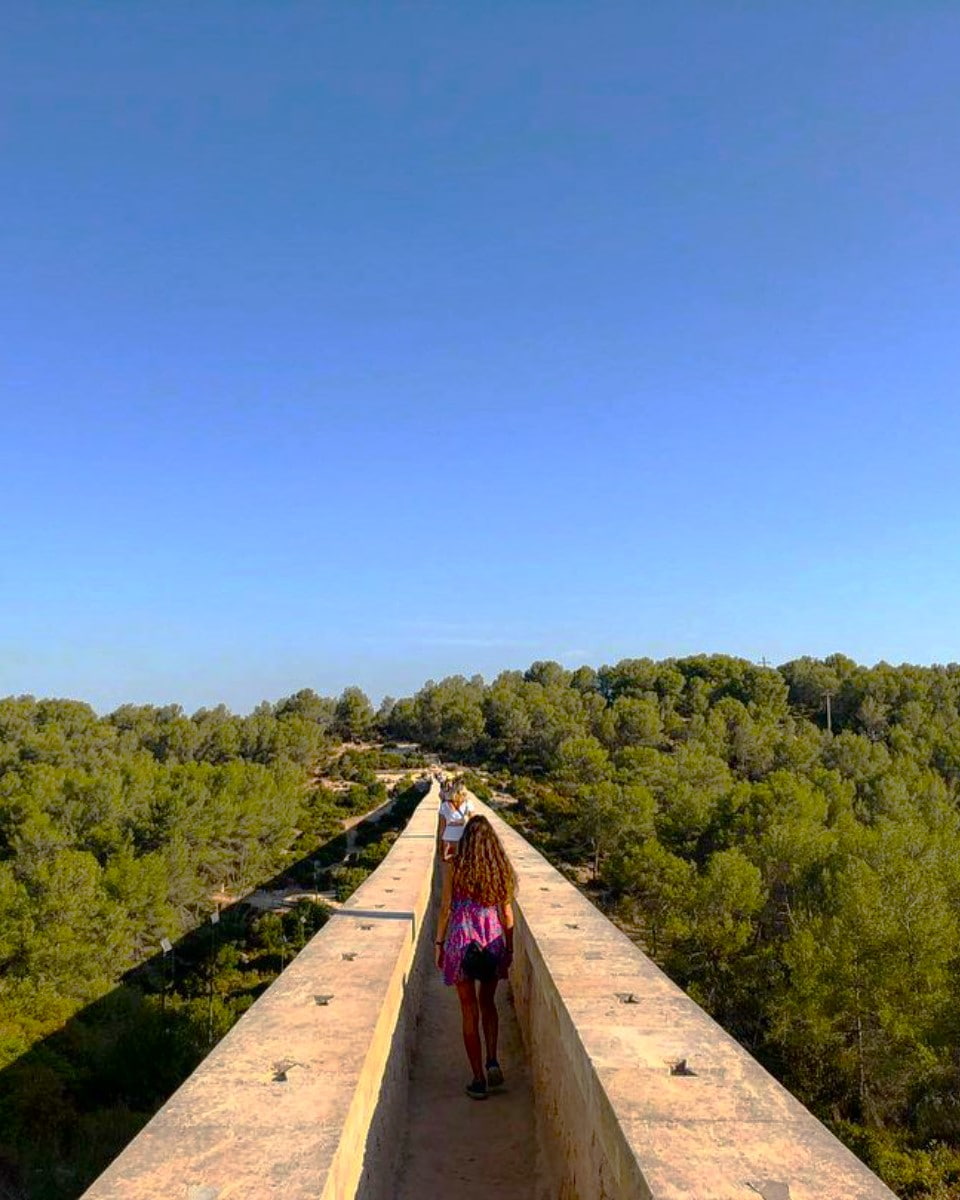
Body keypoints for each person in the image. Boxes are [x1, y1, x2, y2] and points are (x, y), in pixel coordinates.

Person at [434, 815, 516, 1099]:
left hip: (460, 942)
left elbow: (445, 908)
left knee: (468, 1011)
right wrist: (509, 949)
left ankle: (478, 1080)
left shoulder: (454, 867)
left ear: (466, 841)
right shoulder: (500, 870)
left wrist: (439, 944)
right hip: (491, 941)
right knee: (488, 1003)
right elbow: (507, 916)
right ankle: (492, 1059)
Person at [437, 779, 473, 861]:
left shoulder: (444, 805)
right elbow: (474, 822)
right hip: (462, 835)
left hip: (448, 836)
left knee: (448, 863)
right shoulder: (468, 803)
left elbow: (442, 827)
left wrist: (439, 843)